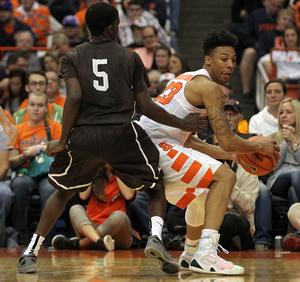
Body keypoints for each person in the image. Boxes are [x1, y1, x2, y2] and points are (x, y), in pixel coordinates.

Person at [16, 2, 207, 275]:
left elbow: (74, 98)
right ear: (111, 27)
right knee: (155, 186)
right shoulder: (130, 58)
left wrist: (62, 140)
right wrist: (182, 122)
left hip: (84, 135)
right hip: (121, 133)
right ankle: (155, 236)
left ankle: (30, 251)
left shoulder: (71, 57)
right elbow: (147, 107)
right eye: (118, 24)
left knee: (62, 193)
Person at [138, 28, 279, 275]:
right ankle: (207, 254)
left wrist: (234, 155)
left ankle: (190, 254)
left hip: (149, 147)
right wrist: (257, 145)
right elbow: (226, 139)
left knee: (202, 192)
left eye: (233, 60)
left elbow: (189, 142)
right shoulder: (209, 88)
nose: (230, 65)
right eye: (223, 59)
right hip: (154, 148)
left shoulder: (185, 79)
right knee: (225, 176)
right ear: (208, 60)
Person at [9, 91, 61, 247]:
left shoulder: (55, 127)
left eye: (40, 105)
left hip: (48, 173)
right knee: (18, 185)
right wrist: (25, 155)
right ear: (26, 108)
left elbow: (62, 155)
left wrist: (39, 148)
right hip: (25, 173)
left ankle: (44, 241)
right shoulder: (17, 130)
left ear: (46, 108)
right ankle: (21, 238)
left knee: (52, 190)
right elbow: (11, 162)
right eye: (32, 105)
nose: (36, 109)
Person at [206, 99, 258, 251]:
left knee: (234, 221)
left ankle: (215, 243)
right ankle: (219, 243)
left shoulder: (245, 162)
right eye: (217, 141)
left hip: (235, 218)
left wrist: (229, 183)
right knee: (175, 218)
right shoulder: (207, 159)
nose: (227, 119)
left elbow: (249, 206)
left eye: (231, 115)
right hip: (210, 218)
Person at [51, 165, 135, 251]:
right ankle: (98, 241)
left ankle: (80, 244)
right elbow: (83, 195)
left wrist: (117, 168)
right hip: (91, 228)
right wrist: (91, 167)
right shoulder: (95, 172)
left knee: (119, 216)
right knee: (75, 209)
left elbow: (128, 195)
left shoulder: (125, 172)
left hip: (118, 233)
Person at [249, 78, 287, 250]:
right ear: (264, 96)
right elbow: (255, 151)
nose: (273, 95)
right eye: (269, 92)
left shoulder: (294, 116)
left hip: (285, 170)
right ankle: (262, 240)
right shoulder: (257, 119)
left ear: (285, 95)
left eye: (277, 92)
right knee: (262, 191)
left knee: (295, 179)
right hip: (263, 169)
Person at [236, 0, 286, 102]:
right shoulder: (256, 15)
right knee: (249, 53)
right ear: (266, 3)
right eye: (273, 5)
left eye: (279, 7)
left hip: (280, 49)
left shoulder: (285, 17)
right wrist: (256, 44)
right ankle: (246, 91)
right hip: (258, 48)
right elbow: (242, 36)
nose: (275, 9)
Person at [267, 98, 300, 215]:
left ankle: (296, 229)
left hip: (296, 183)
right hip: (277, 181)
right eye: (281, 112)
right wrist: (285, 143)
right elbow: (273, 166)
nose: (284, 116)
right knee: (295, 173)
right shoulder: (271, 138)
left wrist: (294, 141)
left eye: (289, 112)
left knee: (293, 190)